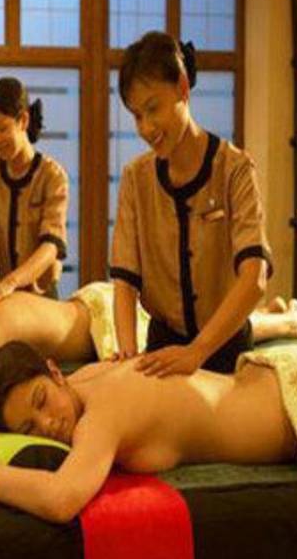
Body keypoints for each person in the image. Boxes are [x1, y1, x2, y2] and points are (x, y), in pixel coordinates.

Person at [0, 340, 297, 523]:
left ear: (55, 372)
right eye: (30, 428)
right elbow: (0, 406)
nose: (47, 423)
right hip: (275, 377)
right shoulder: (85, 380)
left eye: (42, 400)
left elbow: (61, 499)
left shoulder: (102, 415)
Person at [110, 31, 273, 375]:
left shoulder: (235, 168)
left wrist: (197, 352)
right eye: (137, 115)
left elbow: (254, 277)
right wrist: (127, 355)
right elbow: (124, 281)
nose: (146, 127)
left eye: (153, 108)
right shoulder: (135, 178)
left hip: (226, 346)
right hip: (162, 345)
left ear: (182, 88)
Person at [0, 282, 297, 402]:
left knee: (199, 346)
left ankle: (293, 324)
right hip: (88, 304)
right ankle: (277, 314)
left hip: (100, 323)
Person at [0, 77, 69, 309]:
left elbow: (51, 247)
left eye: (3, 128)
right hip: (2, 296)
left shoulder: (53, 176)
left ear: (23, 120)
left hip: (42, 299)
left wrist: (10, 283)